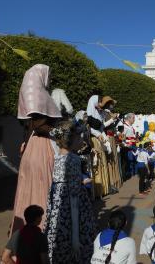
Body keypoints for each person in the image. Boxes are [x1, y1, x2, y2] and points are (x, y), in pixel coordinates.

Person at [11, 64, 62, 235]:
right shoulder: (41, 98)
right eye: (49, 75)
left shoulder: (29, 98)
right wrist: (60, 131)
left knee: (28, 188)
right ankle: (43, 232)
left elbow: (29, 127)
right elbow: (41, 126)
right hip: (41, 148)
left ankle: (24, 233)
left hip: (30, 148)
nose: (50, 78)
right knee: (43, 187)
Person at [45, 120, 96, 263]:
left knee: (58, 239)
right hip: (73, 214)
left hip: (57, 209)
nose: (82, 140)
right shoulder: (73, 159)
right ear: (70, 139)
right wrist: (75, 238)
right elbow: (74, 201)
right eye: (79, 137)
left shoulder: (55, 157)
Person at [86, 95, 111, 198]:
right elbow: (89, 127)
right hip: (93, 141)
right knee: (96, 166)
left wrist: (105, 139)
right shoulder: (89, 114)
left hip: (99, 140)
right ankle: (96, 191)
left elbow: (101, 127)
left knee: (102, 164)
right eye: (101, 103)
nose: (102, 106)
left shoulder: (99, 113)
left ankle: (103, 189)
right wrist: (98, 134)